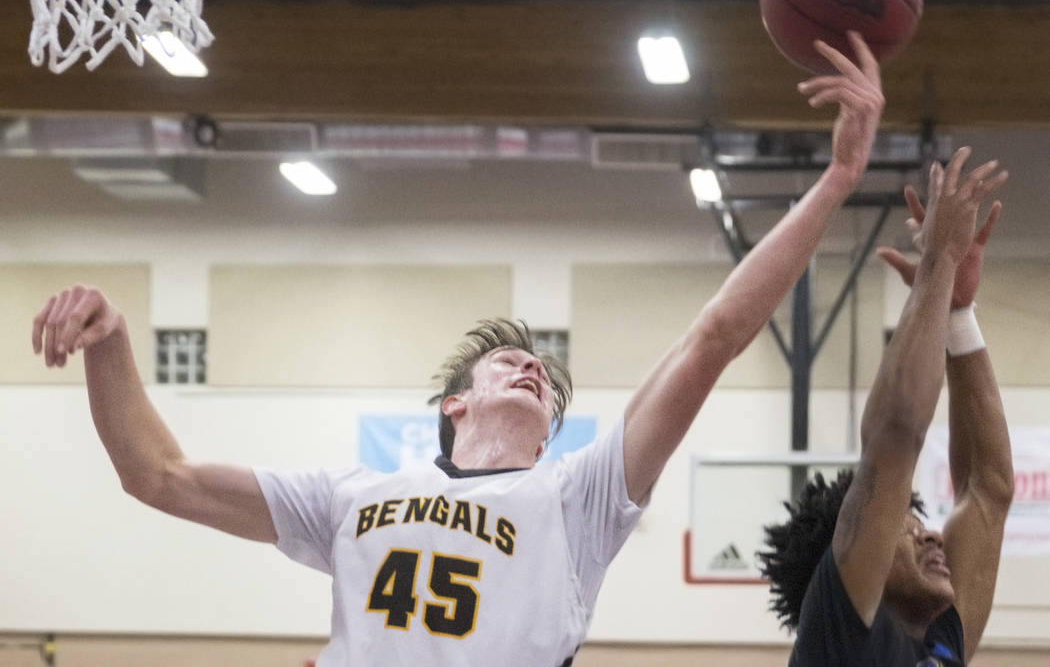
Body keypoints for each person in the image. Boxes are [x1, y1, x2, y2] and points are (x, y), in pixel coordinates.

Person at [34, 34, 885, 666]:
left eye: (543, 378)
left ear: (551, 432)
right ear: (454, 404)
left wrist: (839, 178)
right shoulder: (351, 495)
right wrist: (111, 343)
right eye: (507, 364)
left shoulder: (573, 498)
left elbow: (712, 341)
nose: (531, 370)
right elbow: (159, 476)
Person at [758, 147, 1012, 666]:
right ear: (851, 552)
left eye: (920, 523)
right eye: (909, 527)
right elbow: (896, 435)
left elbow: (988, 489)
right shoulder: (839, 640)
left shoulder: (939, 639)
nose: (933, 534)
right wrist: (938, 260)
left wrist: (959, 314)